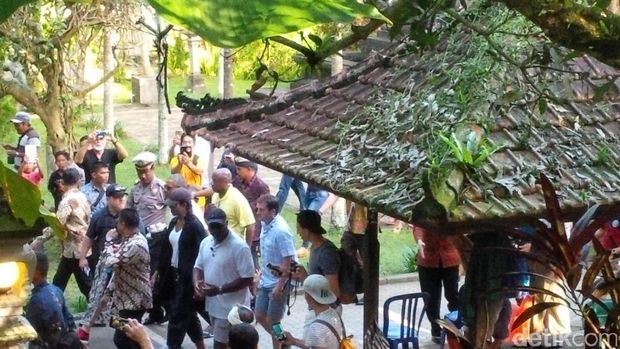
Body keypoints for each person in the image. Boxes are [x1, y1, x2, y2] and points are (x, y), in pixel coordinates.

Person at [193, 208, 255, 349]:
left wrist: (220, 289)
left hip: (231, 309)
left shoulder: (239, 247)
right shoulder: (206, 242)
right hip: (213, 306)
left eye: (218, 226)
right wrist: (197, 284)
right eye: (211, 226)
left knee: (220, 345)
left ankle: (281, 340)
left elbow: (248, 278)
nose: (215, 230)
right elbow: (198, 267)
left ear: (226, 223)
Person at [76, 184, 129, 342]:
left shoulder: (129, 216)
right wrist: (82, 257)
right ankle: (86, 329)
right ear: (108, 199)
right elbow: (89, 238)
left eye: (123, 196)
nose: (121, 199)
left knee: (117, 304)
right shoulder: (99, 216)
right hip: (104, 265)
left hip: (123, 266)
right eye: (117, 197)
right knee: (98, 297)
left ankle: (129, 329)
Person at [157, 187, 207, 349]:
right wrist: (158, 271)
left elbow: (203, 253)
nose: (170, 209)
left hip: (188, 279)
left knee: (177, 316)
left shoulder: (194, 226)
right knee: (188, 315)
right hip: (173, 275)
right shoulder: (173, 222)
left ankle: (172, 345)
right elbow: (166, 249)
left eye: (174, 206)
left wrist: (198, 280)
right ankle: (201, 345)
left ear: (184, 205)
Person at [127, 151, 169, 324]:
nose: (143, 175)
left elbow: (175, 209)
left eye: (146, 171)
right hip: (139, 239)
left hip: (157, 239)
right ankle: (156, 312)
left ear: (153, 168)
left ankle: (164, 309)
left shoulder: (162, 188)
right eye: (139, 172)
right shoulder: (135, 189)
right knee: (142, 278)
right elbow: (128, 211)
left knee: (152, 278)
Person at [106, 208, 153, 349]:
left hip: (135, 300)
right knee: (119, 327)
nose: (116, 224)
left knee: (121, 339)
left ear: (123, 224)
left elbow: (110, 262)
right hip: (124, 298)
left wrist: (108, 241)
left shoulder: (136, 244)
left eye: (118, 221)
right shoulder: (128, 240)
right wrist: (109, 291)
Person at [254, 194, 296, 349]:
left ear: (272, 211)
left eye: (261, 210)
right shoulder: (265, 224)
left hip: (279, 282)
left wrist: (280, 287)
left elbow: (288, 261)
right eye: (257, 209)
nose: (257, 213)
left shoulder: (281, 231)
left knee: (274, 320)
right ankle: (283, 339)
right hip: (266, 279)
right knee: (259, 314)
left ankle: (279, 345)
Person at [412, 225, 460, 343]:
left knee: (453, 296)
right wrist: (419, 240)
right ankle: (436, 330)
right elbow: (418, 226)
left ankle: (456, 327)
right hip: (427, 260)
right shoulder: (427, 211)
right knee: (430, 298)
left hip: (450, 259)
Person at [26, 251, 83, 349]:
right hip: (67, 342)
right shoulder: (56, 290)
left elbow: (27, 330)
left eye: (27, 268)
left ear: (36, 273)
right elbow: (70, 321)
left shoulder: (36, 301)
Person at [53, 168, 92, 298]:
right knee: (60, 282)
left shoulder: (67, 201)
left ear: (62, 183)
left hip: (74, 250)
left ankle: (100, 311)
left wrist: (38, 241)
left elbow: (57, 223)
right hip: (83, 246)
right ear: (78, 182)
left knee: (85, 285)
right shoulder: (83, 197)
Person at [293, 210, 342, 307]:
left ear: (306, 231)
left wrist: (305, 277)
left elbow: (333, 291)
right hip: (317, 308)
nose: (298, 232)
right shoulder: (315, 247)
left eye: (299, 229)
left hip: (327, 310)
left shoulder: (327, 254)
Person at [282, 275, 345, 349]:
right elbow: (317, 345)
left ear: (307, 296)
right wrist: (294, 341)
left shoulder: (317, 327)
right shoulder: (334, 314)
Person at [232, 157, 270, 266]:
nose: (237, 172)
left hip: (253, 231)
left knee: (252, 260)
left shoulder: (261, 187)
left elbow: (263, 210)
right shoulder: (236, 181)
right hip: (238, 227)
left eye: (239, 169)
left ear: (249, 169)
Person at [210, 168, 256, 247]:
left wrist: (247, 249)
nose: (211, 183)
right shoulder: (215, 196)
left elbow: (250, 225)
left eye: (215, 181)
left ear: (225, 181)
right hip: (217, 242)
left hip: (233, 246)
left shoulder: (237, 199)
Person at [169, 133, 206, 207]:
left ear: (194, 144)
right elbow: (173, 173)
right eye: (185, 142)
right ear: (181, 144)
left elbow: (199, 171)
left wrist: (188, 164)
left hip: (196, 199)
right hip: (180, 198)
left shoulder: (197, 159)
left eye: (189, 142)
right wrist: (180, 164)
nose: (187, 145)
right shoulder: (176, 159)